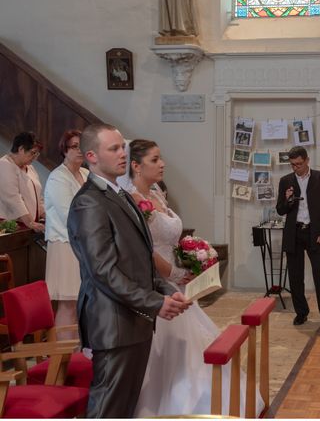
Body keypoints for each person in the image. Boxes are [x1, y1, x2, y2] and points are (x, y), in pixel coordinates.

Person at [120, 139, 264, 417]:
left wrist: (192, 257)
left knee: (196, 347)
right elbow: (145, 251)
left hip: (176, 281)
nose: (162, 164)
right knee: (171, 354)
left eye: (160, 158)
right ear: (136, 166)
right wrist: (174, 273)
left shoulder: (157, 194)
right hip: (157, 283)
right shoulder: (134, 201)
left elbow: (170, 236)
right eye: (154, 159)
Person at [67, 124, 190, 418]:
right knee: (108, 409)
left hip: (135, 321)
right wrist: (154, 303)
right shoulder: (88, 202)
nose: (123, 153)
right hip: (113, 324)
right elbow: (104, 271)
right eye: (114, 149)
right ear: (91, 156)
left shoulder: (120, 194)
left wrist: (166, 291)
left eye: (122, 147)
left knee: (126, 407)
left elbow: (140, 260)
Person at [276, 146, 320, 325]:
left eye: (299, 164)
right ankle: (301, 313)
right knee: (295, 276)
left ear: (307, 160)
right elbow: (280, 210)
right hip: (294, 233)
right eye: (292, 165)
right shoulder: (285, 181)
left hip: (314, 233)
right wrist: (287, 199)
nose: (296, 168)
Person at [44, 129, 89, 338]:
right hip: (65, 244)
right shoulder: (57, 177)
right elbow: (68, 214)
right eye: (74, 146)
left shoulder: (87, 174)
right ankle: (62, 358)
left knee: (82, 302)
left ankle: (79, 351)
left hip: (83, 244)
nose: (79, 150)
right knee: (69, 303)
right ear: (64, 150)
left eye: (82, 146)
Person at [0, 131, 45, 232]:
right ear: (21, 149)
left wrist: (45, 214)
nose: (35, 157)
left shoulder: (30, 168)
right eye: (33, 153)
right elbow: (13, 198)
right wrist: (30, 222)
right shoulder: (4, 165)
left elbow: (38, 196)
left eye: (37, 154)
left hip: (29, 224)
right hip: (12, 225)